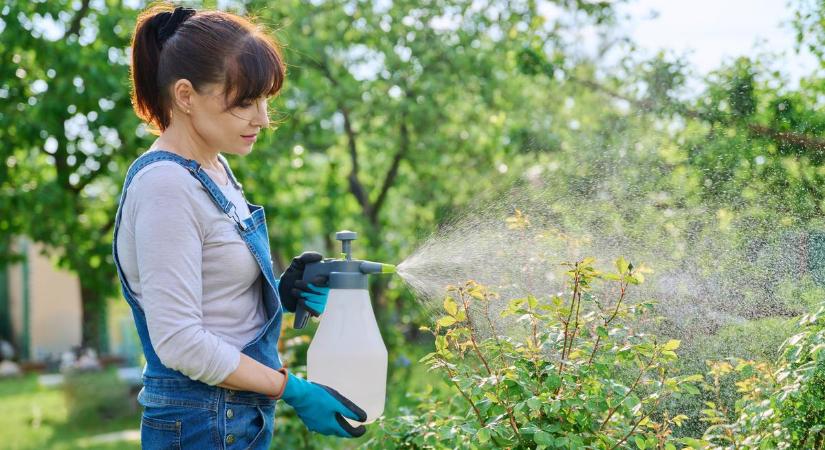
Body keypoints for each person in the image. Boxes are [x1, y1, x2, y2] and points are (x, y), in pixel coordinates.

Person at [112, 4, 367, 448]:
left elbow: (214, 298)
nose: (263, 119)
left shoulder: (214, 167)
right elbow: (179, 342)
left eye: (265, 100)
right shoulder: (166, 186)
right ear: (186, 95)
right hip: (198, 426)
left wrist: (278, 292)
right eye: (244, 102)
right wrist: (292, 388)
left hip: (232, 420)